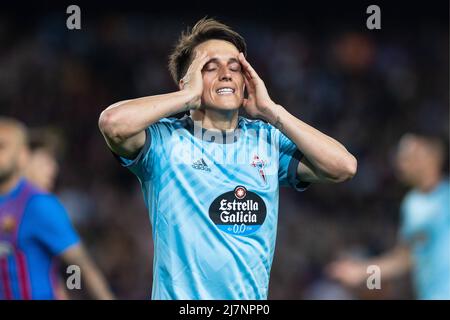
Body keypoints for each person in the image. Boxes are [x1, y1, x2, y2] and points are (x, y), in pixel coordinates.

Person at [98, 18, 357, 299]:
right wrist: (187, 97)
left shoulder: (267, 140)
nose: (226, 74)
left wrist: (274, 111)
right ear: (187, 82)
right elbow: (113, 123)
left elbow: (343, 167)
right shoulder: (165, 141)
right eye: (210, 67)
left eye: (235, 67)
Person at [0, 118, 114, 300]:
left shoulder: (41, 205)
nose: (53, 169)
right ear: (24, 158)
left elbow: (75, 264)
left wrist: (73, 290)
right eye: (45, 161)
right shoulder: (18, 203)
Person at [328, 133, 450, 300]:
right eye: (399, 156)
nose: (400, 162)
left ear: (433, 156)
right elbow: (405, 258)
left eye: (409, 155)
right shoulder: (412, 205)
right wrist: (362, 272)